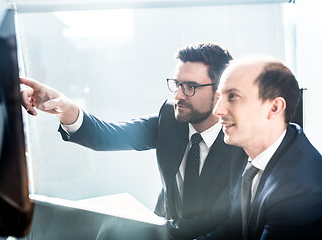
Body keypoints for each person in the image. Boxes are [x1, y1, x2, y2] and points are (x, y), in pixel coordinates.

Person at [20, 42, 245, 239]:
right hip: (161, 231)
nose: (177, 95)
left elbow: (224, 223)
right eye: (177, 84)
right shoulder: (170, 118)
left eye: (190, 87)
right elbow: (109, 135)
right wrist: (66, 108)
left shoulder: (242, 142)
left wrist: (149, 231)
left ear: (219, 94)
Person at [199, 56, 322, 240]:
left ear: (274, 107)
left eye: (233, 96)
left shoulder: (300, 190)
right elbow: (234, 230)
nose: (217, 110)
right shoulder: (242, 152)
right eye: (219, 97)